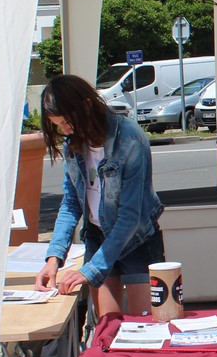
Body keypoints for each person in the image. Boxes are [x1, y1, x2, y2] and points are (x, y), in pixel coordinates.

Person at [34, 74, 164, 318]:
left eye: (67, 123)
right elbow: (71, 202)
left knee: (146, 328)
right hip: (97, 236)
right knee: (108, 328)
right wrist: (54, 259)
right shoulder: (73, 143)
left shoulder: (129, 139)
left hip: (138, 240)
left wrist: (91, 269)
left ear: (85, 105)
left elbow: (130, 216)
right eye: (58, 125)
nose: (65, 131)